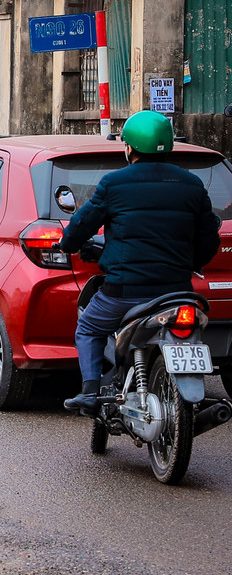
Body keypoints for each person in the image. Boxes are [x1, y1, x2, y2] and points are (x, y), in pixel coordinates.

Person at [58, 110, 221, 415]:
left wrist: (67, 244)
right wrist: (192, 264)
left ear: (129, 147)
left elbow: (83, 223)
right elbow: (209, 238)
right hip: (177, 291)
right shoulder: (192, 184)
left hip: (124, 292)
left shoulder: (114, 183)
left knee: (89, 327)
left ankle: (91, 392)